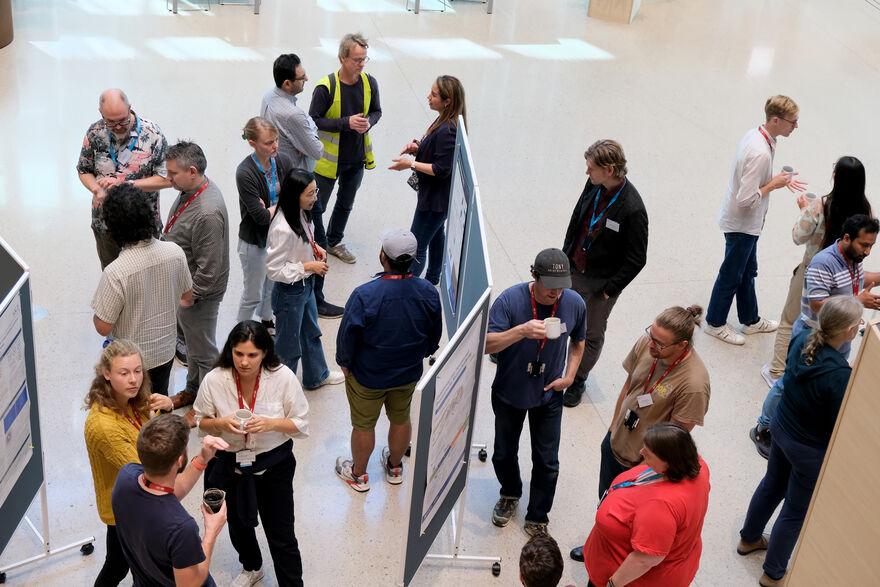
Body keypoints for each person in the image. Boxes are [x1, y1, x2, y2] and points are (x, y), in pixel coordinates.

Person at [570, 305, 711, 563]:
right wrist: (613, 428)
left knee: (628, 523)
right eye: (651, 335)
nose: (651, 345)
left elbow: (674, 438)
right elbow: (629, 386)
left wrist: (643, 471)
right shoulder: (647, 344)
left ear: (682, 345)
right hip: (615, 443)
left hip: (642, 466)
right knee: (605, 504)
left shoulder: (693, 384)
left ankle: (615, 562)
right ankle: (597, 547)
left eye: (660, 343)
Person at [738, 296, 863, 587]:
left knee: (772, 484)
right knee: (795, 510)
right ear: (847, 332)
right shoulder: (839, 375)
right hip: (808, 449)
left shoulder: (804, 337)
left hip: (781, 428)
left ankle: (749, 538)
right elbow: (838, 420)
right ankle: (773, 573)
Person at [750, 214, 880, 457]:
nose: (868, 251)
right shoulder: (823, 262)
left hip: (840, 338)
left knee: (819, 387)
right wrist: (857, 301)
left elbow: (859, 280)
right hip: (813, 335)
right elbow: (818, 304)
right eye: (864, 245)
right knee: (787, 383)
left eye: (872, 245)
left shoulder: (854, 258)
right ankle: (763, 426)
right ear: (847, 238)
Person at [194, 321, 310, 587]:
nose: (244, 362)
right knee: (237, 523)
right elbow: (201, 421)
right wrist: (220, 423)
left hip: (273, 465)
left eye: (252, 355)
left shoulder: (283, 378)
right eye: (238, 354)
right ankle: (252, 566)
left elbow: (301, 423)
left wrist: (271, 423)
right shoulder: (215, 379)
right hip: (228, 464)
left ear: (265, 353)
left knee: (281, 532)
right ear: (230, 351)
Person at [485, 248, 586, 536]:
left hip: (549, 393)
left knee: (547, 461)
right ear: (534, 275)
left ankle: (538, 516)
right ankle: (510, 493)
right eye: (551, 286)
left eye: (562, 286)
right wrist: (521, 331)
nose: (557, 293)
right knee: (503, 453)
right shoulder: (510, 301)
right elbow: (485, 344)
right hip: (510, 390)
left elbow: (579, 342)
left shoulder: (574, 303)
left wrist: (569, 376)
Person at [334, 229, 442, 492]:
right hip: (407, 373)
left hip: (368, 376)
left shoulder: (365, 294)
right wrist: (422, 353)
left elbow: (348, 335)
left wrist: (345, 363)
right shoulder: (428, 291)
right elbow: (434, 333)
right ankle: (395, 467)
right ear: (415, 259)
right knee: (401, 417)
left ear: (383, 256)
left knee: (363, 424)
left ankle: (358, 475)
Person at [705, 95, 808, 345]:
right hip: (742, 224)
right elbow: (745, 199)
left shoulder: (759, 135)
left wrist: (775, 180)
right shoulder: (760, 152)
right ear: (775, 120)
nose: (795, 126)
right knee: (731, 273)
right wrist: (773, 184)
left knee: (747, 271)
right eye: (792, 122)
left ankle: (750, 320)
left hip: (749, 224)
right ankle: (714, 323)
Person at [762, 156, 872, 387]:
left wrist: (804, 210)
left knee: (790, 320)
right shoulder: (865, 210)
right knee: (832, 327)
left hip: (812, 269)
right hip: (846, 274)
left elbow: (797, 237)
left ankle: (777, 372)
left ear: (836, 178)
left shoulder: (821, 206)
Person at [561, 139, 648, 408]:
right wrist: (565, 255)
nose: (587, 173)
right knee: (556, 313)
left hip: (600, 284)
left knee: (590, 333)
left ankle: (577, 379)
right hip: (574, 266)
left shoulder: (633, 209)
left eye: (591, 168)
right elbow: (578, 217)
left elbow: (637, 259)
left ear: (609, 169)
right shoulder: (595, 185)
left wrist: (610, 289)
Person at [83, 340, 174, 586]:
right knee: (123, 566)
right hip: (123, 508)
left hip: (137, 501)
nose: (134, 380)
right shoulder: (104, 426)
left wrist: (166, 409)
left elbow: (153, 435)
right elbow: (149, 469)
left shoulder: (133, 400)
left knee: (123, 564)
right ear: (107, 374)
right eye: (124, 373)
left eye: (137, 371)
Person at [91, 183, 193, 396]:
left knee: (131, 414)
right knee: (158, 404)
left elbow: (102, 326)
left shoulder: (116, 272)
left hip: (130, 363)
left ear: (113, 226)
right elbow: (187, 296)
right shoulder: (175, 252)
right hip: (165, 352)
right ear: (149, 216)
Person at [582, 423, 711, 587]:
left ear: (668, 462)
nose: (641, 452)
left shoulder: (660, 508)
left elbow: (645, 559)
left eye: (648, 453)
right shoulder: (698, 466)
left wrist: (613, 584)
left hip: (629, 579)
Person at [111, 414, 229, 586]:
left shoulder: (126, 476)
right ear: (179, 460)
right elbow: (190, 584)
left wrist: (202, 459)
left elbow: (162, 492)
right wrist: (211, 531)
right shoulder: (181, 528)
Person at [163, 141, 230, 426]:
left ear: (192, 171)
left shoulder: (206, 212)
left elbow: (209, 267)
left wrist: (191, 297)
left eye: (173, 173)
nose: (168, 179)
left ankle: (204, 405)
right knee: (191, 346)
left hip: (198, 294)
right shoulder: (190, 188)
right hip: (185, 288)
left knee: (203, 353)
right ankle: (192, 390)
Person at [266, 168, 344, 390]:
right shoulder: (283, 228)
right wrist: (308, 266)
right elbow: (274, 270)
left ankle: (316, 375)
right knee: (288, 347)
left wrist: (315, 247)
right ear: (295, 195)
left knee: (311, 333)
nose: (315, 198)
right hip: (290, 293)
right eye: (310, 193)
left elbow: (301, 242)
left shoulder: (300, 212)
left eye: (315, 191)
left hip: (305, 287)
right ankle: (281, 392)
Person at [309, 32, 382, 268]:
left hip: (357, 159)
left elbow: (377, 111)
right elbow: (313, 120)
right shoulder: (325, 87)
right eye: (357, 60)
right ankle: (310, 243)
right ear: (342, 58)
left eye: (364, 60)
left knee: (345, 204)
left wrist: (369, 121)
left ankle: (333, 241)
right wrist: (346, 123)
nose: (361, 64)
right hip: (329, 162)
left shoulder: (370, 83)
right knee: (316, 205)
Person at [77, 88, 170, 268]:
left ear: (130, 108)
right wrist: (95, 188)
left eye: (122, 120)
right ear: (100, 113)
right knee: (112, 273)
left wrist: (127, 184)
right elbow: (83, 170)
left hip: (142, 225)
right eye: (111, 122)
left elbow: (166, 179)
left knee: (146, 275)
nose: (118, 127)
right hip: (105, 223)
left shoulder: (152, 134)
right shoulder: (95, 133)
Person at [388, 75, 466, 285]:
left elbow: (442, 169)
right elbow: (439, 154)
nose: (428, 97)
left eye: (434, 94)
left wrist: (410, 164)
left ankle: (407, 286)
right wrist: (418, 148)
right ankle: (432, 278)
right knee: (436, 234)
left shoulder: (448, 130)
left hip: (435, 200)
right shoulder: (443, 120)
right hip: (436, 198)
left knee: (417, 245)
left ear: (447, 100)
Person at [235, 117, 293, 332]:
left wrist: (271, 207)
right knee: (252, 294)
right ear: (252, 143)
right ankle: (239, 332)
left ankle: (266, 320)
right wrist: (281, 204)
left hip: (278, 236)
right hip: (255, 242)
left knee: (272, 284)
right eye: (269, 143)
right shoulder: (245, 172)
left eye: (276, 140)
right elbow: (259, 217)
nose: (275, 146)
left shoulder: (284, 161)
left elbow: (296, 197)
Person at [261, 53, 324, 172]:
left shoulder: (268, 96)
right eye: (302, 77)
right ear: (287, 84)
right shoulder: (292, 115)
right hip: (295, 181)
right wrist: (308, 141)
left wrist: (303, 142)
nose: (306, 79)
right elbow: (317, 151)